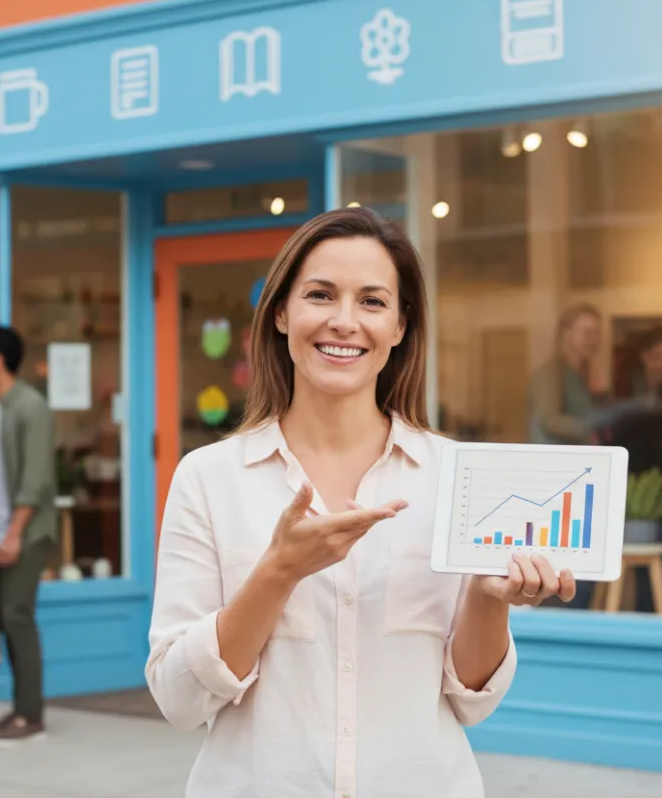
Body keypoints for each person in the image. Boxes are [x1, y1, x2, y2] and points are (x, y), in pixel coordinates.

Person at [145, 208, 576, 796]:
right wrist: (277, 573)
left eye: (372, 302)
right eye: (320, 295)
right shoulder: (208, 477)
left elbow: (470, 699)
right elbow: (177, 697)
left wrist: (487, 596)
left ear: (401, 325)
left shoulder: (457, 476)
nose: (344, 322)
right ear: (280, 313)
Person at [0, 324, 57, 748]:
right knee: (5, 619)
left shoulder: (30, 406)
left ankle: (31, 715)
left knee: (17, 617)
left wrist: (13, 533)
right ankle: (20, 708)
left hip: (23, 534)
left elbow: (35, 479)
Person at [528, 302, 605, 445]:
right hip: (554, 461)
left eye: (597, 334)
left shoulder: (587, 374)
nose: (594, 341)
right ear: (567, 334)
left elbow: (593, 414)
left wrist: (600, 394)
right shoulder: (549, 373)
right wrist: (592, 430)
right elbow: (551, 421)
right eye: (588, 334)